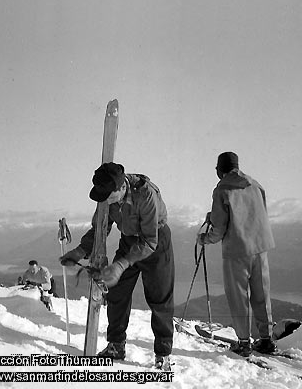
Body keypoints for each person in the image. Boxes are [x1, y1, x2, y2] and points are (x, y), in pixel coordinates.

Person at [60, 162, 175, 371]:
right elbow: (100, 228)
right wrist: (80, 251)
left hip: (156, 244)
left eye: (110, 198)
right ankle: (116, 345)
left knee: (160, 299)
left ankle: (163, 354)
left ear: (122, 189)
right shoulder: (105, 194)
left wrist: (121, 265)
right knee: (116, 293)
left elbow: (150, 242)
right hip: (129, 241)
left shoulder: (146, 194)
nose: (106, 202)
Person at [197, 152, 276, 357]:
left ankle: (243, 342)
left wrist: (206, 239)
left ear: (220, 169)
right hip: (260, 247)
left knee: (239, 296)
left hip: (237, 250)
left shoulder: (222, 189)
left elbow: (219, 228)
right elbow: (258, 213)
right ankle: (266, 339)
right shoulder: (255, 184)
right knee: (261, 295)